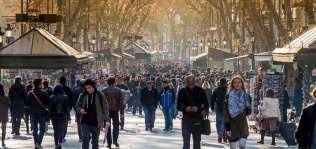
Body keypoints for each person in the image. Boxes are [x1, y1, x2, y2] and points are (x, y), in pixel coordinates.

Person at [76, 79, 110, 149]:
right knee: (85, 139)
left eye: (89, 87)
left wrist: (107, 120)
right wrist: (80, 110)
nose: (88, 90)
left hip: (96, 122)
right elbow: (77, 106)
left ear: (93, 87)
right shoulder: (82, 95)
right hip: (85, 122)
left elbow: (105, 109)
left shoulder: (100, 95)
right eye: (86, 88)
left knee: (95, 142)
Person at [177, 76, 209, 149]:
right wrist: (185, 109)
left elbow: (206, 105)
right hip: (186, 121)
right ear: (186, 83)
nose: (191, 86)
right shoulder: (182, 92)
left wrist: (198, 109)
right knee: (186, 144)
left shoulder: (201, 91)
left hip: (197, 121)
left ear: (195, 82)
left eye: (192, 84)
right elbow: (178, 107)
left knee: (197, 143)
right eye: (189, 84)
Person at [223, 76, 252, 149]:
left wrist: (249, 107)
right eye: (235, 83)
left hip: (242, 125)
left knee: (242, 146)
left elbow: (248, 113)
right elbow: (226, 113)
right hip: (232, 125)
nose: (237, 84)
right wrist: (228, 128)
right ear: (232, 84)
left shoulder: (247, 96)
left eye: (239, 82)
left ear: (242, 84)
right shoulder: (228, 97)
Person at [26, 79, 50, 149]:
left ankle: (36, 143)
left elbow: (28, 104)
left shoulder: (30, 93)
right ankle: (38, 143)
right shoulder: (44, 92)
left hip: (33, 113)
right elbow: (48, 103)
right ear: (39, 84)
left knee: (35, 129)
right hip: (42, 113)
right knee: (42, 129)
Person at [101, 77, 124, 148]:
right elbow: (121, 101)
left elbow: (101, 102)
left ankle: (109, 143)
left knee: (107, 127)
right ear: (114, 82)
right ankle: (115, 140)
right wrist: (122, 112)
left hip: (106, 111)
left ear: (107, 82)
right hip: (115, 110)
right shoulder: (118, 90)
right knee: (116, 126)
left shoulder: (103, 90)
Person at [49, 85, 71, 149]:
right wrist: (68, 117)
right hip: (62, 115)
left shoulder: (52, 97)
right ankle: (60, 143)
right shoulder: (65, 97)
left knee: (55, 131)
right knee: (61, 130)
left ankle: (56, 144)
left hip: (54, 116)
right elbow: (67, 108)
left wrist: (48, 118)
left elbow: (50, 108)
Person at [210, 78, 228, 143]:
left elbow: (212, 98)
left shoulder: (217, 90)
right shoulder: (227, 90)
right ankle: (224, 136)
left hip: (219, 108)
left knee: (218, 122)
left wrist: (212, 107)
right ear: (225, 83)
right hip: (226, 108)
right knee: (224, 122)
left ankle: (219, 132)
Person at [59, 76, 73, 142]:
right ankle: (63, 136)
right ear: (65, 81)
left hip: (58, 109)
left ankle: (59, 135)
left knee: (59, 123)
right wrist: (70, 108)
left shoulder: (57, 88)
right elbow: (71, 98)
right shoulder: (68, 89)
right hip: (66, 109)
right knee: (65, 123)